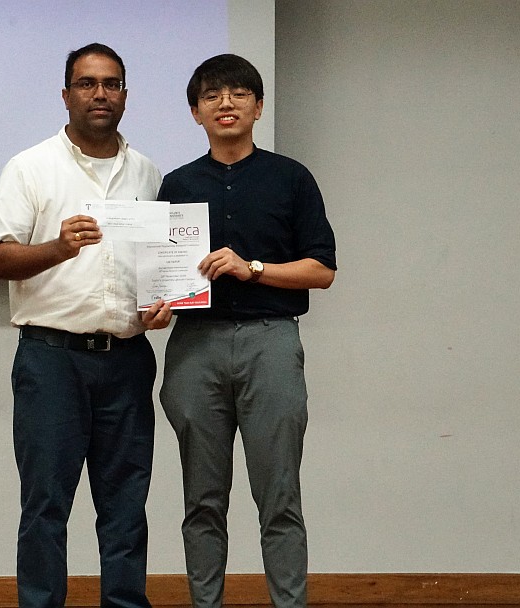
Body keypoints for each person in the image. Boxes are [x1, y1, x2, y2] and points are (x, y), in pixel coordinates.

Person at [0, 43, 172, 608]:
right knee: (46, 503)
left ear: (125, 96)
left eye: (111, 84)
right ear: (66, 95)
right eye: (87, 84)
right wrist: (59, 248)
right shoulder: (30, 167)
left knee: (126, 504)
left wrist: (162, 305)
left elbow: (157, 265)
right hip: (52, 360)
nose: (100, 94)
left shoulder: (148, 173)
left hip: (128, 360)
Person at [156, 54, 337, 608]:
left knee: (279, 496)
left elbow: (322, 270)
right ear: (196, 113)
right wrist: (154, 308)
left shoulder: (291, 178)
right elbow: (162, 275)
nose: (226, 104)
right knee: (202, 499)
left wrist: (252, 268)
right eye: (212, 96)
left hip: (270, 339)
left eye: (238, 94)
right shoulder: (177, 185)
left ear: (258, 107)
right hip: (195, 345)